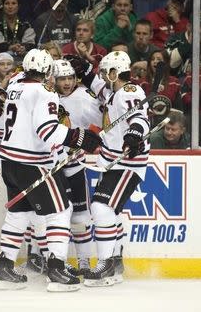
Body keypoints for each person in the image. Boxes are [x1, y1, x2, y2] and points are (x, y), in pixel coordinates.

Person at [0, 48, 101, 291]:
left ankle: (4, 268)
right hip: (34, 164)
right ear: (48, 72)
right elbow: (47, 130)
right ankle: (56, 269)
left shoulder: (13, 86)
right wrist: (78, 137)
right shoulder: (44, 91)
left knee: (18, 215)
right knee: (60, 212)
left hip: (10, 163)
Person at [74, 51, 150, 286]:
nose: (103, 76)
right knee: (110, 213)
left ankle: (106, 265)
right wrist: (84, 70)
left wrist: (134, 134)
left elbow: (139, 117)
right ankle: (115, 264)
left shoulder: (129, 91)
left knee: (101, 208)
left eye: (106, 72)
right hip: (114, 162)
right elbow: (98, 87)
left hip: (127, 163)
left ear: (115, 73)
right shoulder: (113, 91)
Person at [52, 59, 102, 277]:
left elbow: (105, 119)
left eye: (71, 77)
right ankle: (49, 260)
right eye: (62, 78)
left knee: (80, 216)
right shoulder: (44, 97)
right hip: (50, 168)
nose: (67, 82)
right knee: (49, 216)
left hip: (73, 166)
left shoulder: (83, 97)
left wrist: (92, 138)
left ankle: (83, 261)